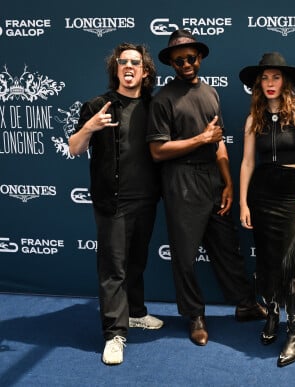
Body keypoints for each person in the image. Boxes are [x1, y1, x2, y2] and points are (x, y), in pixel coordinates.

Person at [146, 29, 266, 346]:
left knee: (227, 247)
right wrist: (201, 139)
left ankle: (245, 304)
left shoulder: (211, 93)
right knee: (185, 256)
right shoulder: (162, 100)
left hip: (212, 178)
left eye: (191, 57)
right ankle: (195, 315)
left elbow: (220, 143)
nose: (186, 63)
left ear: (199, 58)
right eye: (179, 59)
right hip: (180, 180)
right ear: (171, 63)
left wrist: (227, 183)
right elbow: (157, 151)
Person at [69, 43, 163, 365]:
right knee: (113, 270)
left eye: (135, 62)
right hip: (113, 202)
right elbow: (74, 148)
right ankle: (114, 334)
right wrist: (89, 127)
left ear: (145, 71)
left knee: (136, 262)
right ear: (116, 69)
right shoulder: (98, 105)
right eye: (123, 62)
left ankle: (135, 313)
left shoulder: (155, 106)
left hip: (147, 200)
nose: (129, 66)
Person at [238, 52, 295, 367]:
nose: (270, 83)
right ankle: (271, 315)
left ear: (285, 81)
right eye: (265, 78)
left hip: (291, 194)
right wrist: (244, 201)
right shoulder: (253, 118)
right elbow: (246, 162)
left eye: (276, 77)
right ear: (259, 83)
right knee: (268, 262)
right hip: (261, 195)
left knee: (289, 266)